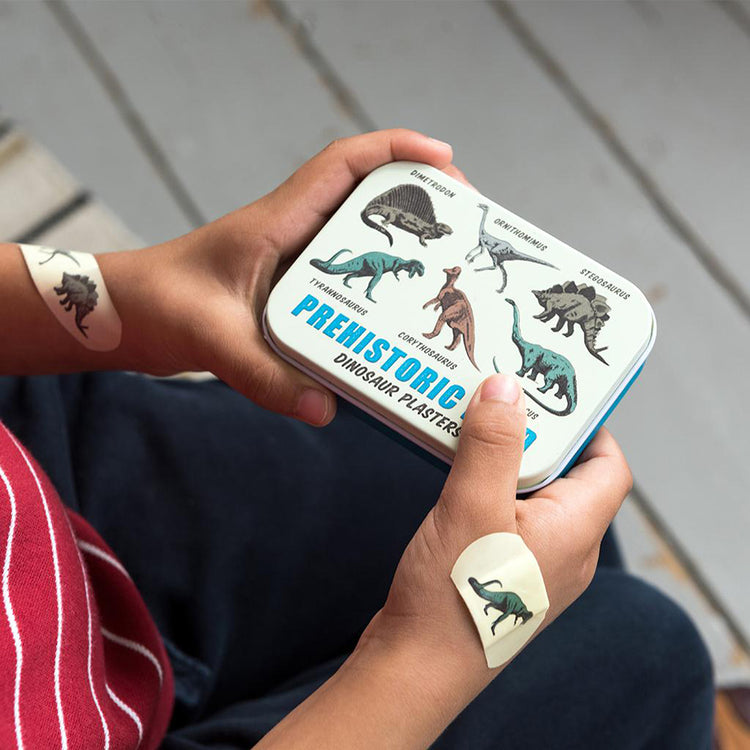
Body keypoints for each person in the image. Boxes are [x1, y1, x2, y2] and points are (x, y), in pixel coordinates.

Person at [0, 129, 714, 748]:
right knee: (648, 654)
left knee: (543, 499)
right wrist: (422, 657)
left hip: (48, 482)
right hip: (83, 706)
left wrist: (130, 299)